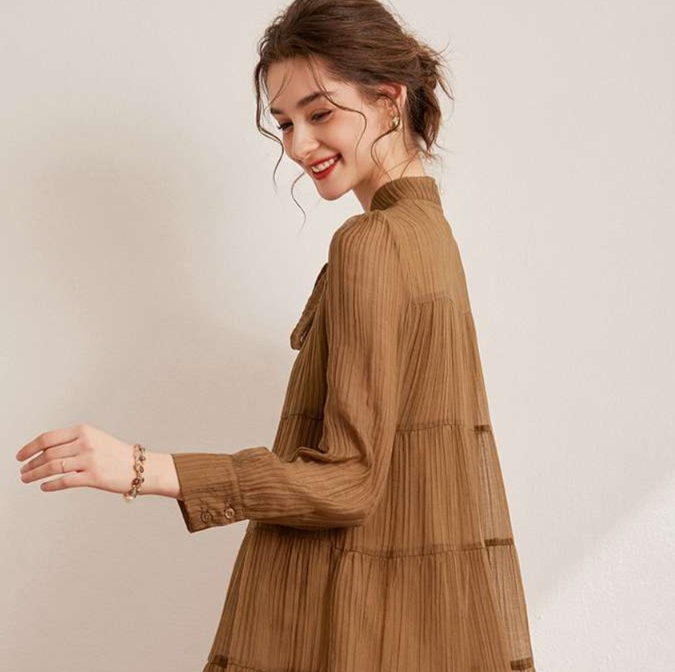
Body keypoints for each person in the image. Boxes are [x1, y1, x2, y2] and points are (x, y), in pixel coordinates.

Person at [15, 0, 537, 670]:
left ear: (388, 100)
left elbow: (350, 481)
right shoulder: (430, 236)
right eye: (285, 122)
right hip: (411, 626)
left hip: (347, 624)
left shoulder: (372, 242)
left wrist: (143, 468)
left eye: (320, 114)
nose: (297, 145)